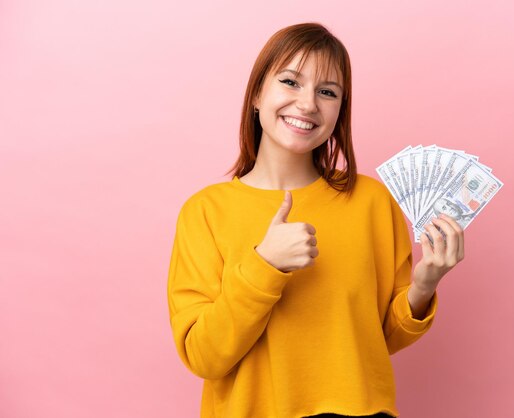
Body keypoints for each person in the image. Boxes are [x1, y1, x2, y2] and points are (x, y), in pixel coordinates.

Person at [167, 22, 465, 418]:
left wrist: (425, 284)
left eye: (327, 92)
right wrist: (264, 265)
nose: (308, 104)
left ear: (340, 109)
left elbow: (379, 339)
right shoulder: (205, 212)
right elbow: (203, 357)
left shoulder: (371, 201)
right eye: (290, 82)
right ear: (257, 94)